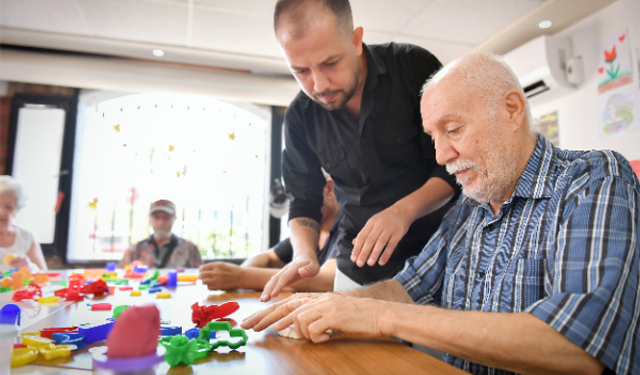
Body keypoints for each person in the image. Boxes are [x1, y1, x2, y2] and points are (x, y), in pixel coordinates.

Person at [242, 53, 640, 375]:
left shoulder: (595, 179)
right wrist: (334, 307)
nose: (440, 157)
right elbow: (410, 285)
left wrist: (381, 317)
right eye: (433, 137)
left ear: (512, 109)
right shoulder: (470, 205)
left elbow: (576, 345)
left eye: (453, 130)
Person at [262, 0, 460, 302]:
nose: (319, 84)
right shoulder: (300, 116)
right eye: (300, 71)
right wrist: (304, 254)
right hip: (359, 263)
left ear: (356, 41)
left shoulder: (413, 67)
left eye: (330, 63)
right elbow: (303, 201)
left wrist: (402, 212)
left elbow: (452, 164)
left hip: (439, 251)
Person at [199, 179, 341, 292]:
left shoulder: (347, 229)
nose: (295, 207)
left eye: (302, 197)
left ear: (329, 189)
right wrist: (238, 273)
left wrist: (241, 277)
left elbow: (328, 280)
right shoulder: (307, 233)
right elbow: (267, 257)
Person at [120, 199, 202, 269]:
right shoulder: (135, 249)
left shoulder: (190, 249)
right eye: (156, 217)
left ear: (174, 218)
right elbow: (120, 276)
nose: (161, 222)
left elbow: (201, 277)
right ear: (149, 218)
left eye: (166, 217)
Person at [0, 176, 47, 272]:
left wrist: (29, 268)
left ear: (17, 210)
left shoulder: (26, 236)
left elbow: (44, 276)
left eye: (8, 207)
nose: (1, 212)